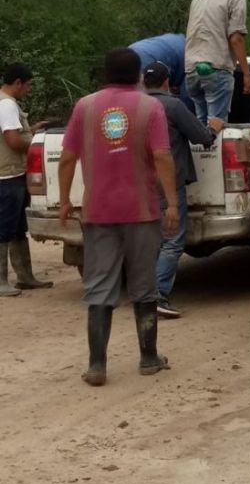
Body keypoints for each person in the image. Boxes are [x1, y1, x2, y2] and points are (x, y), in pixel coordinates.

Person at [58, 48, 179, 387]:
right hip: (141, 212)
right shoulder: (150, 106)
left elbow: (67, 158)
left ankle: (97, 366)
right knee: (144, 284)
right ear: (138, 75)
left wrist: (65, 199)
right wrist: (172, 203)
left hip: (98, 211)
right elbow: (162, 157)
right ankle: (148, 358)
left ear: (105, 73)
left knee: (99, 286)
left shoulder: (85, 106)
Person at [142, 61, 224, 318]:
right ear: (167, 82)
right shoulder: (173, 105)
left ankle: (144, 293)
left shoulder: (134, 107)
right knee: (172, 241)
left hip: (138, 185)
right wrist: (214, 128)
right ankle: (157, 296)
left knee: (151, 240)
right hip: (167, 184)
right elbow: (202, 137)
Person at [0, 63, 53, 297]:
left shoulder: (5, 103)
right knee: (5, 228)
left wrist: (30, 129)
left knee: (18, 227)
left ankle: (25, 277)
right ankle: (2, 281)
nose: (29, 90)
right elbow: (12, 141)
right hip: (8, 174)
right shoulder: (7, 105)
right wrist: (35, 144)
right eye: (28, 85)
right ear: (18, 83)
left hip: (12, 173)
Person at [185, 0, 250, 123]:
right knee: (215, 127)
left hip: (192, 70)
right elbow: (236, 38)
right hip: (216, 68)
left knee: (200, 127)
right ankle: (213, 147)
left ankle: (200, 148)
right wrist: (246, 74)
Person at [129, 32, 193, 111]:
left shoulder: (177, 40)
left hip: (131, 52)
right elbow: (187, 96)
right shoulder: (189, 54)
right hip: (148, 58)